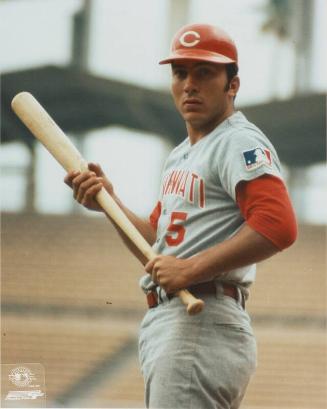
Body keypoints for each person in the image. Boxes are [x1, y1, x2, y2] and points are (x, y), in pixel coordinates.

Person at [64, 23, 297, 409]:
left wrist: (190, 270)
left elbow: (279, 224)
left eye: (204, 72)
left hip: (200, 319)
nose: (189, 84)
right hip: (180, 322)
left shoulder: (237, 139)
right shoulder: (181, 155)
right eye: (180, 72)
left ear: (232, 85)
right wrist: (109, 202)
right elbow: (156, 242)